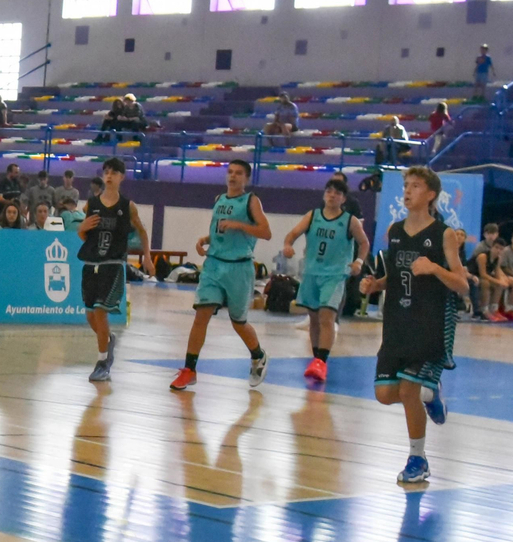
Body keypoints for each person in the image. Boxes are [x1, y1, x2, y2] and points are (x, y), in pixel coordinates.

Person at [359, 166, 468, 484]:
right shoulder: (394, 230)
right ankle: (430, 396)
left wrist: (434, 268)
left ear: (431, 194)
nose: (407, 191)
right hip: (396, 323)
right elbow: (395, 275)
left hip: (428, 324)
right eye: (406, 185)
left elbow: (462, 284)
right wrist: (376, 285)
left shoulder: (443, 234)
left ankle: (417, 458)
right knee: (384, 393)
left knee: (408, 390)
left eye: (416, 186)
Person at [171, 160, 272, 391]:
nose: (233, 176)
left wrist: (239, 225)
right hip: (214, 264)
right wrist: (204, 240)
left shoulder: (251, 201)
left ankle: (258, 355)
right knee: (201, 315)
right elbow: (218, 229)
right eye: (230, 172)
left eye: (238, 173)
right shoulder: (219, 199)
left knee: (238, 322)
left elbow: (266, 232)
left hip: (239, 267)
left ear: (246, 179)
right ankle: (189, 369)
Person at [281, 176, 370, 383]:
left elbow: (364, 243)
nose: (332, 195)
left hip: (335, 274)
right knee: (313, 318)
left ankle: (322, 361)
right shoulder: (312, 216)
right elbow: (292, 234)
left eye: (337, 193)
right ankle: (316, 359)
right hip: (312, 272)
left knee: (326, 316)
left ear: (343, 199)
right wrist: (288, 245)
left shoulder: (350, 221)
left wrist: (358, 262)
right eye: (329, 191)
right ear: (324, 194)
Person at [78, 158, 153, 383]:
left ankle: (103, 362)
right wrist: (81, 228)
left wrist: (147, 256)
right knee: (91, 315)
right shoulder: (90, 204)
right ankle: (108, 340)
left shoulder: (127, 206)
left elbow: (142, 230)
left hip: (113, 264)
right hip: (91, 264)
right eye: (106, 172)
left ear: (122, 177)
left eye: (114, 172)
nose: (109, 175)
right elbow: (84, 236)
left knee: (100, 310)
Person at [468, 223, 507, 322]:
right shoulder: (483, 256)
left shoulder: (498, 259)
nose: (498, 250)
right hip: (472, 275)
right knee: (486, 283)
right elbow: (483, 274)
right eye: (496, 248)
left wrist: (501, 281)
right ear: (492, 247)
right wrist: (498, 281)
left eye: (501, 249)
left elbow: (497, 272)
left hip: (482, 276)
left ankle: (494, 309)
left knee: (500, 285)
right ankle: (484, 310)